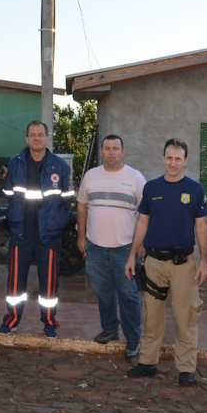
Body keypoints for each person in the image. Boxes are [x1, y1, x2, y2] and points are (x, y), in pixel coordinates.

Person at [124, 138, 207, 385]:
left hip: (184, 265)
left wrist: (204, 261)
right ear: (163, 159)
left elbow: (201, 227)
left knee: (186, 317)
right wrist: (132, 255)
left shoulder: (195, 190)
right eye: (169, 158)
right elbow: (142, 223)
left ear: (186, 161)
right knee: (151, 315)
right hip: (153, 263)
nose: (173, 163)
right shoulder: (151, 188)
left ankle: (186, 370)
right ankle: (147, 362)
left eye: (178, 159)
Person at [0, 121, 74, 338]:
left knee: (49, 283)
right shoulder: (16, 163)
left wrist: (57, 223)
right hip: (21, 232)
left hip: (48, 235)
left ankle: (49, 322)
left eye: (41, 134)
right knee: (15, 281)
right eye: (33, 135)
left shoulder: (60, 166)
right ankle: (12, 319)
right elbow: (9, 195)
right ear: (27, 138)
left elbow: (67, 199)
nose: (37, 138)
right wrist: (14, 219)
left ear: (47, 138)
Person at [77, 134, 146, 358]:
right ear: (101, 152)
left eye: (115, 148)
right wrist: (81, 238)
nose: (111, 152)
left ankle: (133, 339)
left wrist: (141, 244)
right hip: (95, 247)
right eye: (107, 148)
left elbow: (145, 214)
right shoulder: (91, 176)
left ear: (123, 152)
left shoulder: (135, 178)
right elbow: (82, 207)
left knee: (128, 295)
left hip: (125, 249)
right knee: (103, 292)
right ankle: (110, 330)